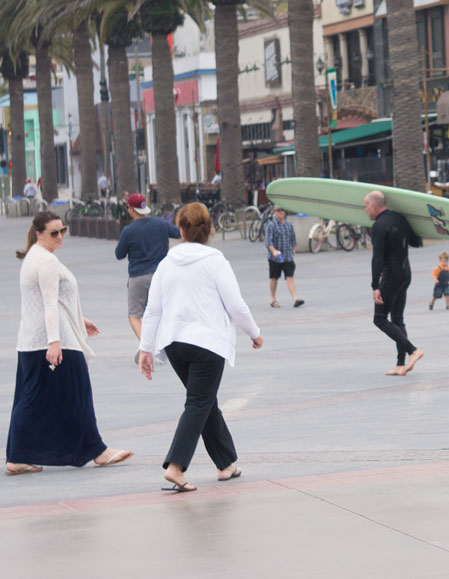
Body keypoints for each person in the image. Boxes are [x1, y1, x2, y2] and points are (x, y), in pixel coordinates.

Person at [137, 203, 262, 493]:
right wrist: (254, 333)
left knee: (204, 401)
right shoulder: (215, 260)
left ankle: (225, 463)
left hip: (175, 344)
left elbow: (152, 311)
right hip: (207, 344)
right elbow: (235, 305)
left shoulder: (166, 263)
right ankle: (175, 466)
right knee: (198, 403)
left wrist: (146, 349)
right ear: (209, 230)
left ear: (180, 230)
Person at [6, 212, 134, 476]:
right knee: (77, 394)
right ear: (39, 233)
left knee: (30, 398)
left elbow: (47, 301)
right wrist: (55, 342)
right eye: (54, 233)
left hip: (33, 341)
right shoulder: (46, 261)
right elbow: (50, 305)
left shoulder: (34, 256)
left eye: (62, 230)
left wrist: (79, 319)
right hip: (53, 340)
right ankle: (98, 451)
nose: (60, 236)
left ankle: (18, 457)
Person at [115, 193, 181, 362]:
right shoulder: (161, 223)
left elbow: (119, 254)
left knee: (134, 314)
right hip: (162, 275)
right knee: (163, 311)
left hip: (138, 277)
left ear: (130, 209)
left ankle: (147, 345)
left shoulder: (128, 231)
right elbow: (179, 233)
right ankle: (165, 346)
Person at [365, 190, 424, 376]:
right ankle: (400, 365)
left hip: (390, 276)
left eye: (365, 206)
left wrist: (375, 286)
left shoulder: (379, 225)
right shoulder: (400, 219)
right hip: (406, 273)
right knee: (397, 319)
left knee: (380, 319)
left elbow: (377, 259)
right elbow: (417, 242)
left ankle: (413, 350)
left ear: (374, 206)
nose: (365, 211)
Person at [265, 206, 303, 308]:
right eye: (278, 210)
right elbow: (268, 242)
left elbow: (293, 239)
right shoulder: (271, 225)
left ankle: (295, 299)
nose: (281, 212)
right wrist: (273, 251)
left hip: (288, 256)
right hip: (275, 258)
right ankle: (273, 299)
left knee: (290, 277)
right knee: (274, 278)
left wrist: (293, 250)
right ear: (274, 212)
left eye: (283, 210)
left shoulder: (288, 225)